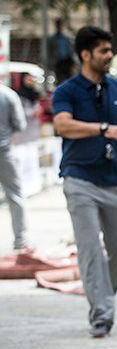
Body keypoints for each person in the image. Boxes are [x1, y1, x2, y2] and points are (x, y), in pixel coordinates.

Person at [52, 26, 117, 338]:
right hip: (80, 180)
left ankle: (105, 298)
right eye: (102, 50)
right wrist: (103, 129)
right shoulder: (66, 92)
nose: (108, 55)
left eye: (109, 49)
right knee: (90, 250)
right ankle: (101, 314)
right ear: (85, 55)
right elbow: (62, 126)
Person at [0, 81, 30, 252]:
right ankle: (20, 240)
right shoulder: (8, 95)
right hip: (4, 151)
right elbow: (20, 124)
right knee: (15, 196)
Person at [47, 19, 75, 84]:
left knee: (70, 80)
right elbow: (50, 52)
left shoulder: (68, 37)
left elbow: (72, 48)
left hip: (68, 61)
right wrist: (51, 62)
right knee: (60, 80)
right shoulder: (52, 38)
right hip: (58, 62)